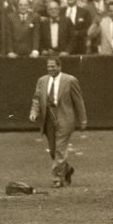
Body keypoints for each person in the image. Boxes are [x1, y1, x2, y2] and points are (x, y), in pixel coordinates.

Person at [29, 56, 87, 188]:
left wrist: (83, 119)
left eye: (53, 66)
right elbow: (37, 98)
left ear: (59, 67)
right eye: (48, 67)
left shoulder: (70, 80)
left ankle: (57, 177)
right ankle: (67, 169)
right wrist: (34, 112)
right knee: (53, 150)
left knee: (60, 148)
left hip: (65, 117)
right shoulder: (42, 81)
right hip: (48, 118)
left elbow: (78, 101)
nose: (50, 69)